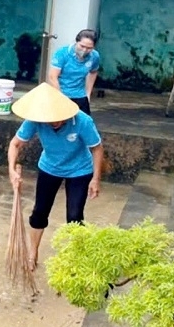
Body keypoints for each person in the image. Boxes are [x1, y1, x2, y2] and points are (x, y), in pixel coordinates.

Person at [7, 83, 103, 271]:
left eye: (58, 119)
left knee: (74, 216)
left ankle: (75, 257)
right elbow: (15, 144)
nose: (54, 122)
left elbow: (97, 148)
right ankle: (33, 252)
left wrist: (96, 179)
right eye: (50, 119)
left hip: (80, 170)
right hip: (49, 167)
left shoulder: (82, 121)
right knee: (39, 213)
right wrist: (11, 169)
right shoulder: (36, 120)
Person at [47, 29, 100, 115]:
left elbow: (93, 72)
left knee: (84, 124)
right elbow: (53, 77)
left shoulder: (94, 56)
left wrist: (88, 94)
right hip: (61, 94)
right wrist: (60, 98)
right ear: (76, 42)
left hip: (80, 96)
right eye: (82, 46)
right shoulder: (62, 53)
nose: (85, 50)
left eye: (89, 48)